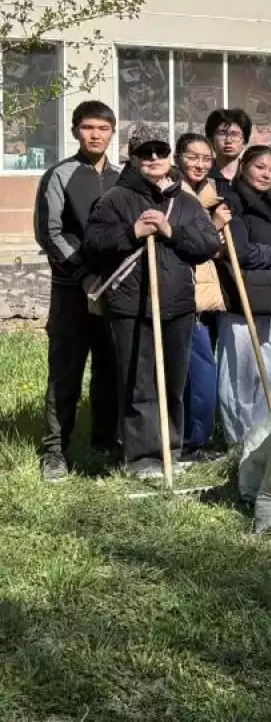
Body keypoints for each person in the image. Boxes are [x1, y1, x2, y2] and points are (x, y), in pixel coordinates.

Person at [81, 125, 222, 478]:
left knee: (174, 383)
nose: (154, 159)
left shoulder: (186, 202)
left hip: (178, 306)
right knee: (140, 383)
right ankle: (142, 458)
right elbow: (94, 245)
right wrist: (133, 233)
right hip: (131, 307)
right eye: (146, 152)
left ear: (169, 155)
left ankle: (170, 450)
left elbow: (208, 246)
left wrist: (171, 232)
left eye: (160, 151)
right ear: (134, 157)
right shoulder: (115, 199)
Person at [35, 100, 121, 481]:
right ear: (75, 131)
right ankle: (54, 450)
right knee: (65, 370)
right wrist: (84, 273)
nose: (96, 135)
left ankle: (104, 443)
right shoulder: (60, 175)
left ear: (112, 132)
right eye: (88, 127)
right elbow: (50, 232)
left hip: (115, 290)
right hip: (73, 290)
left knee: (109, 368)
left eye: (103, 128)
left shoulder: (122, 179)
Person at [217, 145, 271, 443]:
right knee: (240, 374)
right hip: (244, 301)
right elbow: (240, 252)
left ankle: (261, 434)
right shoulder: (232, 201)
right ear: (244, 167)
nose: (267, 174)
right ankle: (238, 439)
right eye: (260, 167)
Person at [175, 133, 230, 460]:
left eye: (206, 159)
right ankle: (189, 443)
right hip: (182, 294)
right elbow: (184, 242)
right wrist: (213, 224)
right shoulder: (171, 194)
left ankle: (195, 441)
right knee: (198, 376)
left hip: (209, 295)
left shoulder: (212, 193)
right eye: (192, 157)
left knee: (200, 374)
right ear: (180, 157)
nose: (199, 164)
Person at [204, 107, 253, 189]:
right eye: (222, 133)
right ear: (211, 139)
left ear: (245, 142)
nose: (228, 140)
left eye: (235, 134)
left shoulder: (252, 176)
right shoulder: (201, 175)